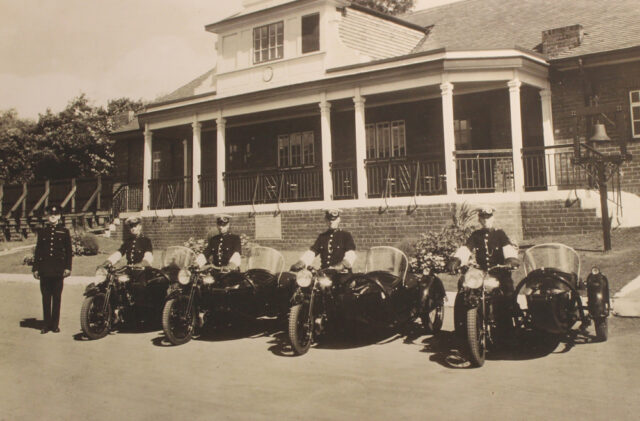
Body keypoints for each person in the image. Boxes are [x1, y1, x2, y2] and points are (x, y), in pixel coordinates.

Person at [448, 206, 521, 340]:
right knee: (465, 288)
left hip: (499, 271)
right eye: (483, 218)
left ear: (493, 218)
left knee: (507, 295)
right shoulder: (476, 235)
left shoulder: (500, 234)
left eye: (488, 217)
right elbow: (466, 248)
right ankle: (463, 327)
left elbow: (508, 248)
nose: (486, 220)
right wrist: (457, 260)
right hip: (481, 272)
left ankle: (509, 330)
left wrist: (510, 260)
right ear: (479, 219)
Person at [32, 204, 72, 334]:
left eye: (55, 214)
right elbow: (38, 251)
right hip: (44, 270)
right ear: (47, 216)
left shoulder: (64, 231)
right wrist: (35, 268)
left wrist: (67, 267)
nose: (53, 216)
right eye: (50, 214)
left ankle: (55, 325)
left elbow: (68, 251)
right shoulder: (42, 231)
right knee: (45, 297)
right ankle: (46, 324)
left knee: (57, 298)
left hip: (58, 270)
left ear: (59, 216)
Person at [290, 208, 357, 273]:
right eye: (329, 219)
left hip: (341, 273)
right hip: (325, 273)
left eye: (334, 219)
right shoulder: (322, 237)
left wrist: (343, 265)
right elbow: (312, 252)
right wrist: (302, 262)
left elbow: (351, 254)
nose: (331, 222)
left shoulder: (346, 235)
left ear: (339, 220)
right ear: (326, 220)